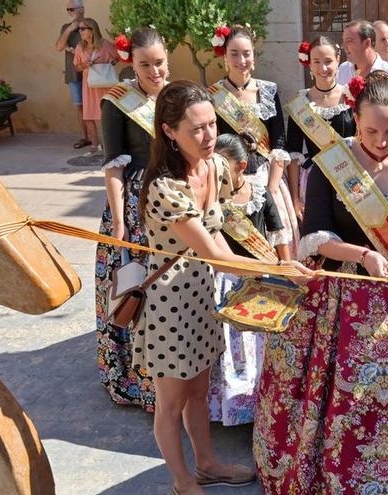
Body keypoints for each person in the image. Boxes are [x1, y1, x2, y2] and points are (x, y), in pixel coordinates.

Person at [254, 71, 388, 494]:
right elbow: (315, 235)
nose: (382, 139)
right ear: (355, 119)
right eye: (371, 129)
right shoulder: (330, 164)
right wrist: (364, 254)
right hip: (342, 292)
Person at [136, 80, 311, 494]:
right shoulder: (164, 188)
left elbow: (237, 211)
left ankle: (208, 464)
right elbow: (217, 254)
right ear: (169, 131)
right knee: (171, 403)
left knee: (199, 392)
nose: (209, 135)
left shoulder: (215, 167)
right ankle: (183, 481)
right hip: (169, 306)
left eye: (212, 124)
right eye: (196, 129)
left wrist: (274, 217)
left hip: (202, 296)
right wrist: (282, 267)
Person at [96, 27, 168, 412]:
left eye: (159, 62)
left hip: (174, 203)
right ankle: (138, 382)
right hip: (135, 208)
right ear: (131, 63)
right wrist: (121, 225)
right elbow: (113, 167)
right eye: (145, 65)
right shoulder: (117, 102)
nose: (154, 71)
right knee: (137, 292)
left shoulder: (176, 97)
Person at [208, 133, 287, 426]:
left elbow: (279, 233)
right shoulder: (212, 201)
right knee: (233, 346)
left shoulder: (260, 194)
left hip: (260, 281)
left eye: (221, 167)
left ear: (241, 167)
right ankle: (231, 406)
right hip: (226, 281)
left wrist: (284, 271)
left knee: (259, 345)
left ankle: (261, 402)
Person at [209, 25, 296, 258]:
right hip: (230, 181)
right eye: (234, 54)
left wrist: (271, 189)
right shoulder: (213, 95)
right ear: (224, 57)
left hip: (268, 176)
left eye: (246, 53)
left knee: (278, 241)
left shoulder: (268, 91)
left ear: (253, 56)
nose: (241, 60)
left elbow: (279, 141)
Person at [286, 36, 356, 222]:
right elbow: (293, 154)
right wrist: (295, 199)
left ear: (338, 60)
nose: (323, 68)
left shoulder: (351, 97)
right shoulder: (301, 103)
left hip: (349, 179)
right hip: (313, 182)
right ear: (309, 63)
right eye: (317, 61)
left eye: (328, 61)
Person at [339, 19, 388, 140]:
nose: (344, 46)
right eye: (344, 41)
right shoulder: (343, 70)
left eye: (349, 41)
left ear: (367, 43)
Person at [72, 18, 117, 157]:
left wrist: (109, 65)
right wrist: (87, 64)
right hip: (89, 84)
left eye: (83, 29)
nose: (80, 31)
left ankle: (110, 145)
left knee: (106, 114)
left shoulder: (105, 45)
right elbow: (76, 66)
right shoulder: (80, 47)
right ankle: (94, 145)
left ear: (92, 31)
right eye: (79, 29)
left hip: (105, 84)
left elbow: (118, 56)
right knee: (89, 115)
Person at [55, 0, 87, 149]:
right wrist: (70, 29)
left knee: (93, 106)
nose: (69, 12)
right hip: (73, 73)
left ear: (82, 10)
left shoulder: (89, 25)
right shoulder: (65, 28)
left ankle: (98, 139)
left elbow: (95, 45)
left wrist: (78, 50)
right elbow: (59, 47)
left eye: (72, 9)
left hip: (89, 72)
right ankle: (84, 137)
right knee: (80, 106)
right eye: (68, 10)